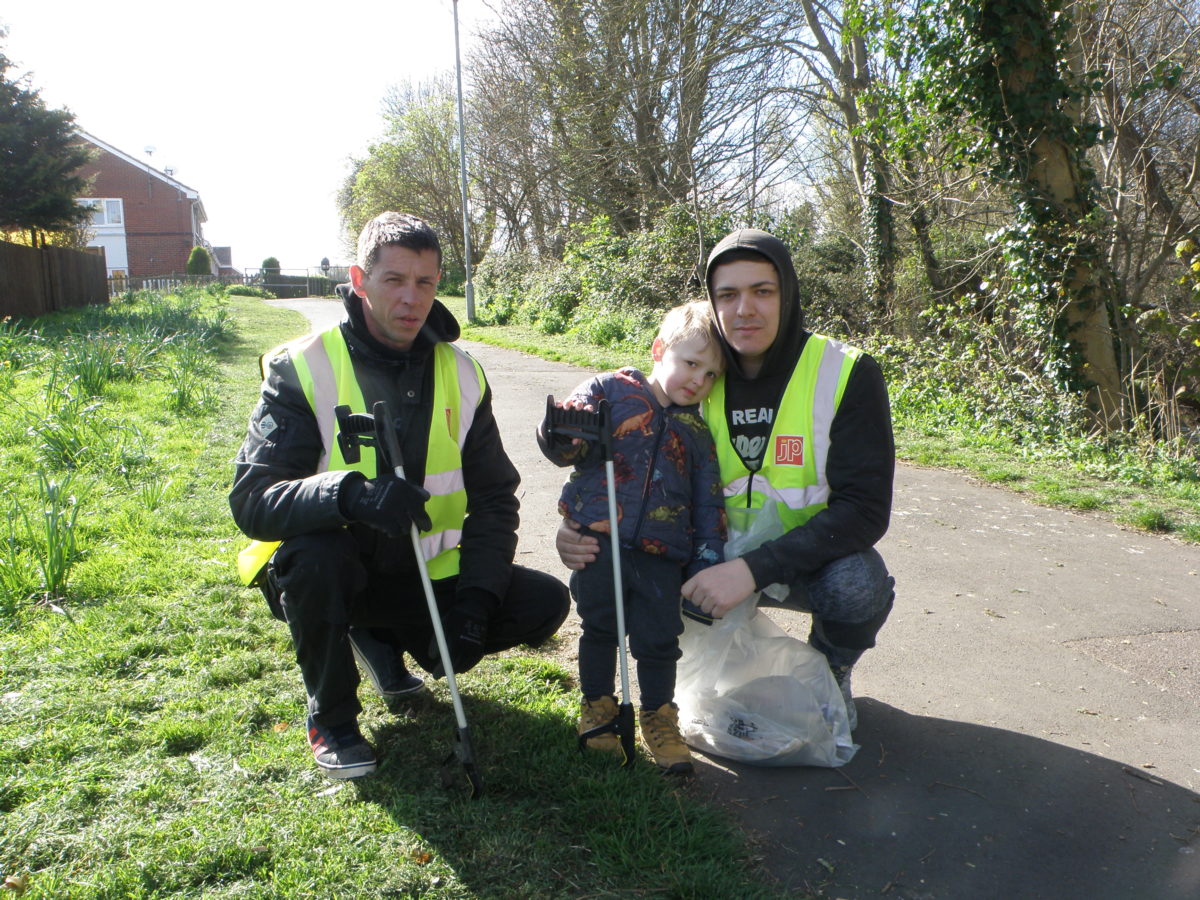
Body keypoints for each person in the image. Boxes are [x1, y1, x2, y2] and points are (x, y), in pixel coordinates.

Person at [230, 212, 570, 779]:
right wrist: (349, 494)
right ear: (359, 278)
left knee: (542, 604)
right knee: (318, 557)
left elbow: (494, 499)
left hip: (423, 573)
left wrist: (475, 606)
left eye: (426, 282)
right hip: (334, 570)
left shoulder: (464, 374)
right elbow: (254, 500)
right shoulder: (300, 368)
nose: (412, 299)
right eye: (395, 281)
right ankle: (332, 717)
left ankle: (383, 638)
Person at [557, 229, 895, 730]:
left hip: (802, 559)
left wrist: (753, 570)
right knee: (624, 577)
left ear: (789, 294)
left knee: (858, 585)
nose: (745, 310)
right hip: (697, 559)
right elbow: (622, 462)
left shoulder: (846, 373)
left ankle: (829, 668)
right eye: (727, 295)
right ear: (712, 304)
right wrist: (579, 526)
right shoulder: (696, 371)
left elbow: (865, 510)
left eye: (763, 291)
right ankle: (674, 686)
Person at [538, 301, 726, 774]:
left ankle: (659, 716)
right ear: (659, 349)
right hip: (599, 544)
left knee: (660, 639)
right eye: (690, 363)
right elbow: (566, 440)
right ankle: (598, 707)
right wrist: (560, 432)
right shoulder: (607, 390)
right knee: (599, 627)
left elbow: (708, 503)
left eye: (709, 375)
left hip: (664, 555)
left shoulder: (697, 432)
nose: (697, 381)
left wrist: (705, 560)